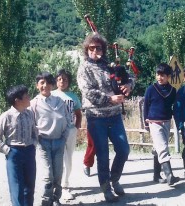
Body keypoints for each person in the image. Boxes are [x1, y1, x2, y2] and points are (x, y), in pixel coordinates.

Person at [77, 32, 133, 203]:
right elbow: (89, 92)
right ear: (87, 49)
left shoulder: (109, 64)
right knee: (102, 154)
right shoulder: (83, 68)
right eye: (91, 48)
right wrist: (110, 99)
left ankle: (114, 179)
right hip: (96, 117)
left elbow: (128, 76)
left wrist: (129, 85)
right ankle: (106, 187)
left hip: (115, 116)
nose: (95, 50)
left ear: (102, 48)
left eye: (98, 47)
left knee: (123, 150)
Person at [29, 71, 71, 206]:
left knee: (58, 174)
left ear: (52, 85)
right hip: (43, 142)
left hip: (59, 141)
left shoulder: (59, 101)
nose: (45, 86)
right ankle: (46, 201)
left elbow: (67, 119)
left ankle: (56, 198)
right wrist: (37, 140)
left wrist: (64, 137)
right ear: (37, 86)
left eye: (48, 83)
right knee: (48, 175)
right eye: (42, 83)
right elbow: (31, 124)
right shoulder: (33, 104)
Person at [0, 85, 38, 206]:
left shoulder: (30, 114)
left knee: (30, 187)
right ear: (17, 100)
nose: (29, 98)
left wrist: (33, 144)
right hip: (14, 153)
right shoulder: (6, 116)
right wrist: (8, 150)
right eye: (26, 96)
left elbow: (34, 132)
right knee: (17, 188)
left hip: (29, 152)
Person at [143, 63, 180, 186]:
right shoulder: (151, 89)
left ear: (168, 76)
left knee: (158, 148)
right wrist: (146, 123)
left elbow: (175, 107)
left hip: (166, 121)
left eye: (162, 75)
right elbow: (145, 106)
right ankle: (169, 175)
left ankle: (156, 175)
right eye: (158, 74)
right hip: (154, 122)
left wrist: (178, 120)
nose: (159, 77)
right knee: (163, 147)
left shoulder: (172, 90)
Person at [51, 69, 82, 200]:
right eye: (59, 79)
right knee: (57, 158)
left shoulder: (73, 96)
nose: (62, 82)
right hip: (55, 131)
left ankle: (65, 184)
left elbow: (78, 114)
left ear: (68, 82)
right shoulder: (51, 95)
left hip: (70, 131)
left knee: (68, 158)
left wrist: (76, 127)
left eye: (65, 79)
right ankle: (56, 185)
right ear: (56, 81)